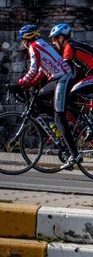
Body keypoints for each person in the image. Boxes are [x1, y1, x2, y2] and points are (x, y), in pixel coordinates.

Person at [11, 24, 80, 169]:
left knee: (59, 116)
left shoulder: (34, 47)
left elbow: (33, 69)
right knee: (40, 99)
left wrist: (20, 83)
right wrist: (29, 84)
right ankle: (60, 135)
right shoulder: (42, 45)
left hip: (62, 79)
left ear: (25, 39)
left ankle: (74, 154)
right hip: (58, 79)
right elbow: (42, 71)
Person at [49, 23, 93, 120]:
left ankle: (81, 122)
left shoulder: (69, 48)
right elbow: (77, 73)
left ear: (61, 38)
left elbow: (66, 71)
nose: (53, 43)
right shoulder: (77, 45)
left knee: (68, 95)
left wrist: (52, 79)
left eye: (54, 39)